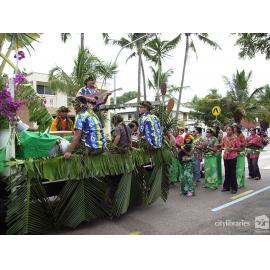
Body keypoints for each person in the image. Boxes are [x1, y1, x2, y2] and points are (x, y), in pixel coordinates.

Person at [222, 125, 240, 194]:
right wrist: (222, 148)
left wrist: (232, 149)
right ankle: (226, 187)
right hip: (226, 157)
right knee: (227, 172)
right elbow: (223, 146)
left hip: (233, 157)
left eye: (230, 130)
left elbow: (239, 148)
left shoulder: (236, 138)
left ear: (232, 130)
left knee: (232, 173)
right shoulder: (224, 138)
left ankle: (234, 188)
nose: (228, 131)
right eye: (227, 130)